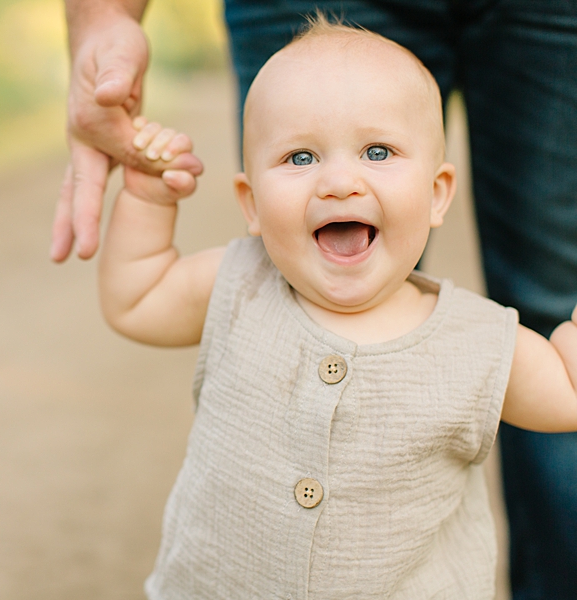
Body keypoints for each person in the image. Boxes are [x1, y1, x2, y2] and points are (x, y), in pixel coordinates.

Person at [58, 2, 577, 597]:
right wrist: (148, 201)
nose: (338, 181)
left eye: (377, 152)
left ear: (437, 195)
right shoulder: (241, 284)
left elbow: (568, 391)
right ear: (251, 204)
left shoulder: (479, 342)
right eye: (300, 158)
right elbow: (137, 297)